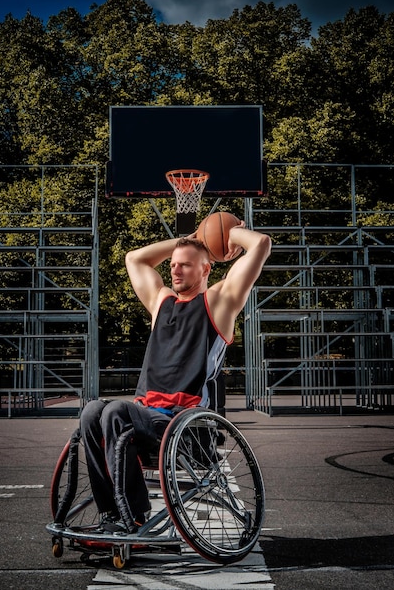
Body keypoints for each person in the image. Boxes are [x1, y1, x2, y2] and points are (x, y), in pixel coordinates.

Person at [80, 222, 271, 534]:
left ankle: (134, 516)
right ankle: (111, 515)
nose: (175, 270)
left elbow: (261, 243)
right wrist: (191, 240)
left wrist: (228, 234)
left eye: (185, 265)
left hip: (186, 425)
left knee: (116, 411)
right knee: (91, 412)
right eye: (172, 265)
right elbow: (134, 259)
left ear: (206, 268)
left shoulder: (219, 303)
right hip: (146, 419)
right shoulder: (161, 302)